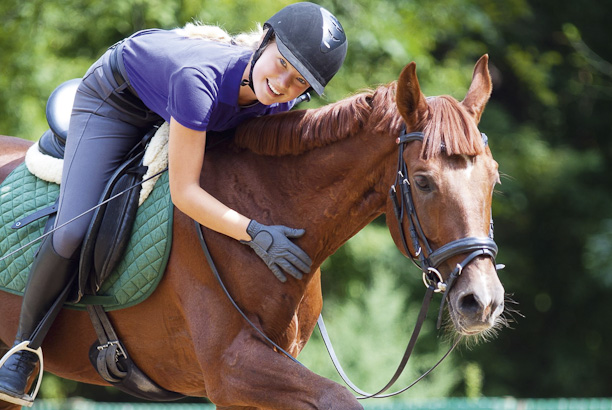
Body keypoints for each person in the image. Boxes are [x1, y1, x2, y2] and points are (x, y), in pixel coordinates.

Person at [0, 2, 347, 406]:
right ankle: (23, 351)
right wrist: (254, 231)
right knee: (75, 227)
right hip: (118, 101)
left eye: (299, 80)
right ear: (266, 40)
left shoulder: (279, 102)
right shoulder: (197, 80)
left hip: (188, 108)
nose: (283, 82)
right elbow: (185, 192)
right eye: (282, 62)